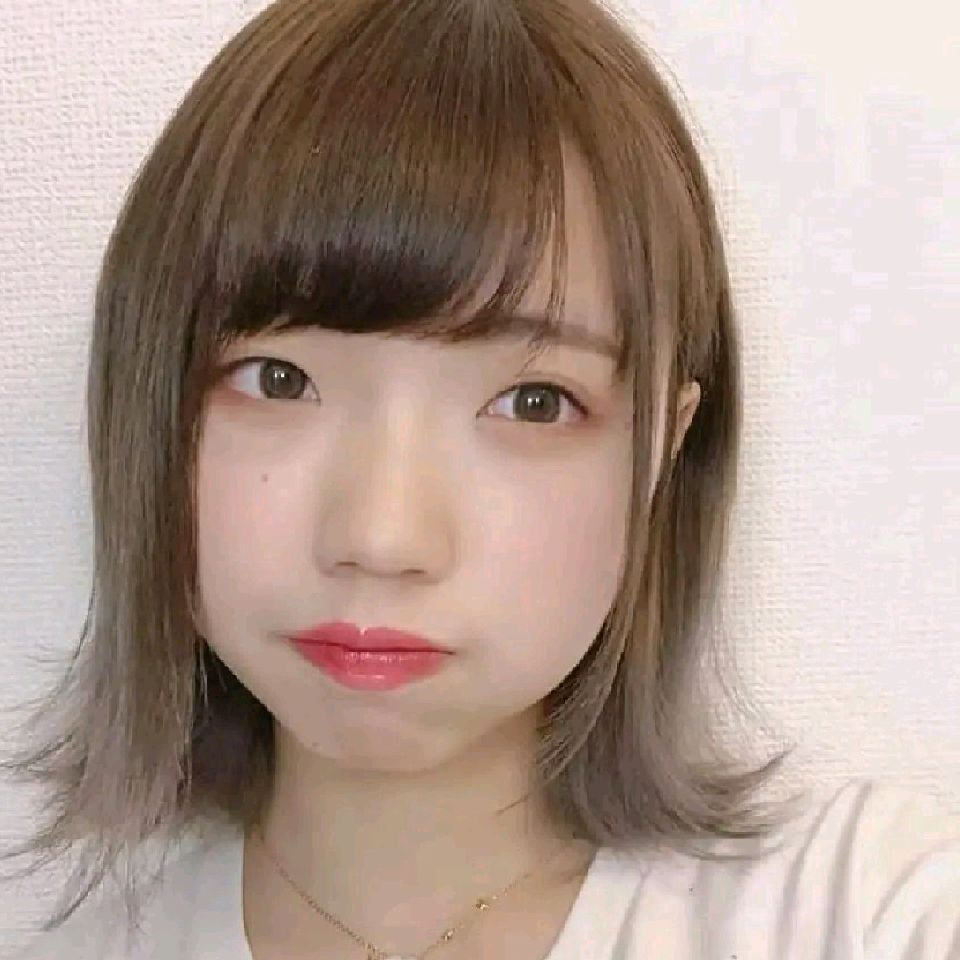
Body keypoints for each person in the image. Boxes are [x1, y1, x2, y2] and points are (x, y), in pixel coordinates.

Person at [2, 0, 958, 958]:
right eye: (277, 380)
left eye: (534, 403)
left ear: (664, 447)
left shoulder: (869, 913)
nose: (383, 538)